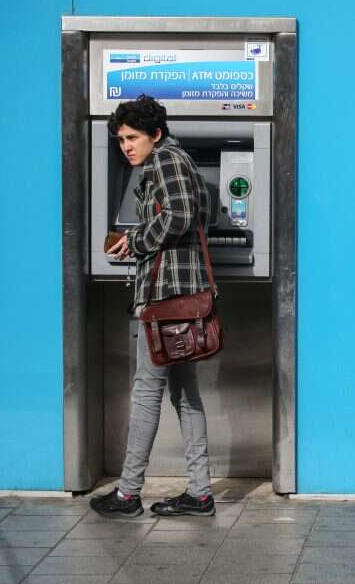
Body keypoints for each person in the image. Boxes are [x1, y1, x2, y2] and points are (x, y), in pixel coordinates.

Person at [89, 94, 216, 519]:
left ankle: (128, 494)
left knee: (146, 391)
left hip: (165, 298)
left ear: (155, 134)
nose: (126, 146)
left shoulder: (164, 160)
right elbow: (197, 215)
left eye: (132, 137)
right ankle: (200, 493)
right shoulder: (178, 160)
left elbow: (179, 215)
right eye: (121, 139)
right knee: (185, 393)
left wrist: (137, 240)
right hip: (181, 298)